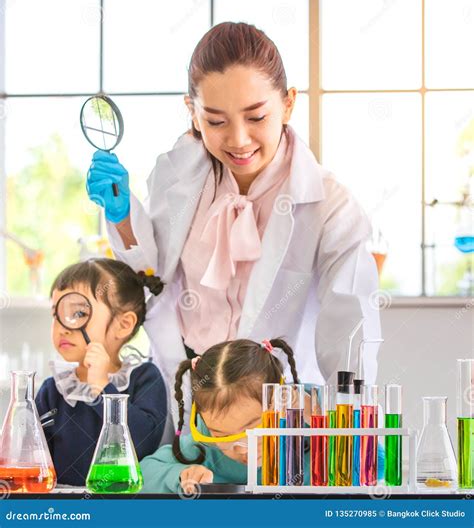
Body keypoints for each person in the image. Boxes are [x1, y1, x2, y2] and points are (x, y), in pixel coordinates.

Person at [86, 22, 381, 427]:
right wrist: (122, 219)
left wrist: (356, 429)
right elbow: (152, 284)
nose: (239, 139)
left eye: (256, 116)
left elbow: (352, 327)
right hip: (184, 398)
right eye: (216, 121)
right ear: (192, 112)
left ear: (289, 103)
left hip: (274, 413)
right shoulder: (174, 177)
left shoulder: (330, 205)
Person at [35, 258, 168, 485]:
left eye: (77, 314)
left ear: (123, 324)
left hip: (123, 506)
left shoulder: (144, 378)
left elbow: (143, 443)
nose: (62, 328)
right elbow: (35, 456)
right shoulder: (53, 389)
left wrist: (103, 388)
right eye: (56, 315)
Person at [139, 338, 306, 493]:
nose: (241, 447)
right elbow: (144, 472)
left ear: (280, 401)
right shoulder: (205, 447)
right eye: (222, 435)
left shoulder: (314, 420)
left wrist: (315, 415)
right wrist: (182, 474)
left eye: (254, 427)